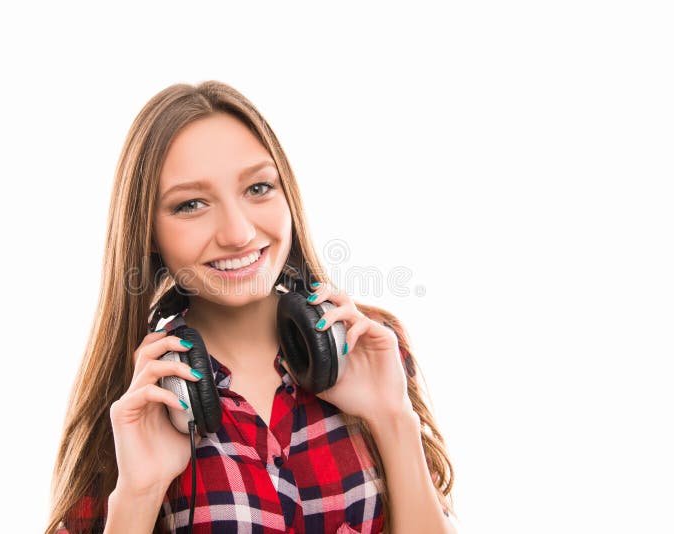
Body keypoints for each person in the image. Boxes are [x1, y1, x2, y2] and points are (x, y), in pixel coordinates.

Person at [46, 80, 457, 534]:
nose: (238, 233)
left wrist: (393, 418)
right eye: (191, 204)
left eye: (258, 187)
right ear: (147, 232)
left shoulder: (368, 346)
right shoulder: (133, 404)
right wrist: (139, 494)